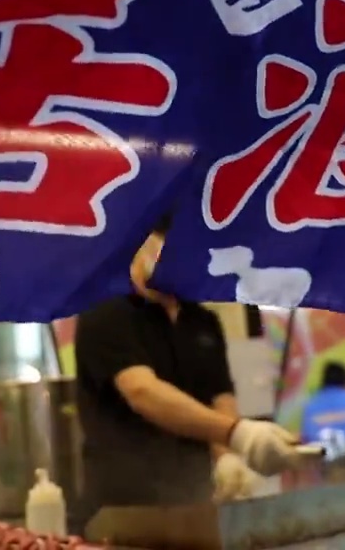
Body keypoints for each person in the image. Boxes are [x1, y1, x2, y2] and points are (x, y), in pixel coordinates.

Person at [74, 215, 301, 528]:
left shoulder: (202, 322)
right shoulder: (107, 311)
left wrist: (227, 457)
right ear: (144, 247)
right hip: (120, 514)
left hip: (189, 508)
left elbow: (219, 395)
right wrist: (237, 433)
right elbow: (142, 392)